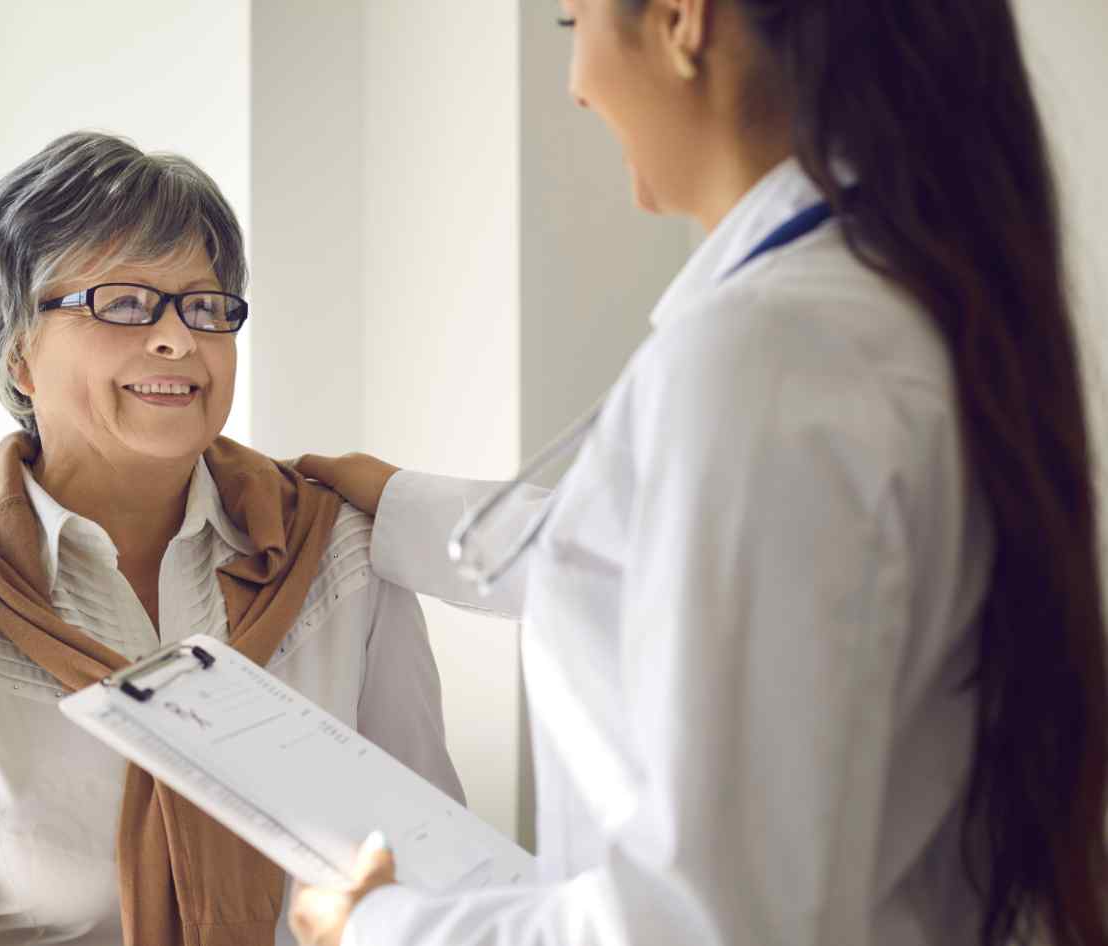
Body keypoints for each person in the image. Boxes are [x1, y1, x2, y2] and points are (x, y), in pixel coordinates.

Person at [287, 0, 1108, 944]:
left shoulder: (766, 355)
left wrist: (383, 926)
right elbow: (664, 568)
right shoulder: (875, 312)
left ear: (682, 19)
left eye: (571, 24)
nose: (577, 85)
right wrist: (389, 500)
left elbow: (707, 924)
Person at [0, 131, 463, 946]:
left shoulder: (340, 554)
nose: (178, 338)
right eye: (123, 302)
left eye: (206, 305)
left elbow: (434, 878)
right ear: (17, 356)